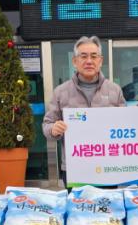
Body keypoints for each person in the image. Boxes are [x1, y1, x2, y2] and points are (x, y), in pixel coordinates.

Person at [42, 36, 126, 186]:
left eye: (94, 56)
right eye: (83, 56)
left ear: (100, 61)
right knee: (78, 202)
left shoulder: (115, 90)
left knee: (107, 201)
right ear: (75, 61)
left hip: (108, 166)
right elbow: (47, 125)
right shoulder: (61, 92)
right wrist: (54, 129)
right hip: (74, 167)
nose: (89, 61)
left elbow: (125, 124)